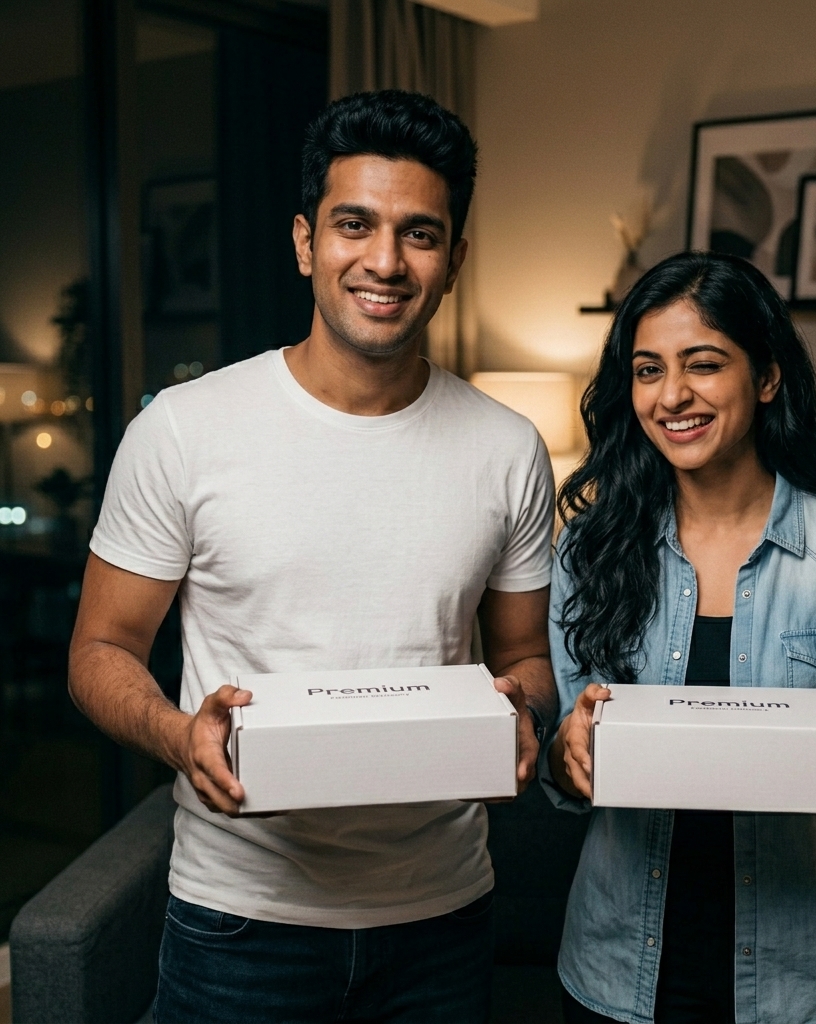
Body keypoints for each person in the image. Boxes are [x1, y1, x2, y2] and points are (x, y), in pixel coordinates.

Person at [68, 89, 557, 1024]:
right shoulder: (183, 431)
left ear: (454, 260)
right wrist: (180, 736)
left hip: (442, 919)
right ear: (305, 242)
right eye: (354, 225)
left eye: (419, 234)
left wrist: (524, 712)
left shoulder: (508, 448)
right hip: (240, 920)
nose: (385, 261)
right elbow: (99, 652)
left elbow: (526, 659)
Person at [540, 250, 816, 1024]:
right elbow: (560, 762)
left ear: (767, 377)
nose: (672, 395)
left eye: (704, 364)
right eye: (648, 370)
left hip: (810, 972)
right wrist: (566, 752)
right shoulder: (588, 551)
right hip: (623, 969)